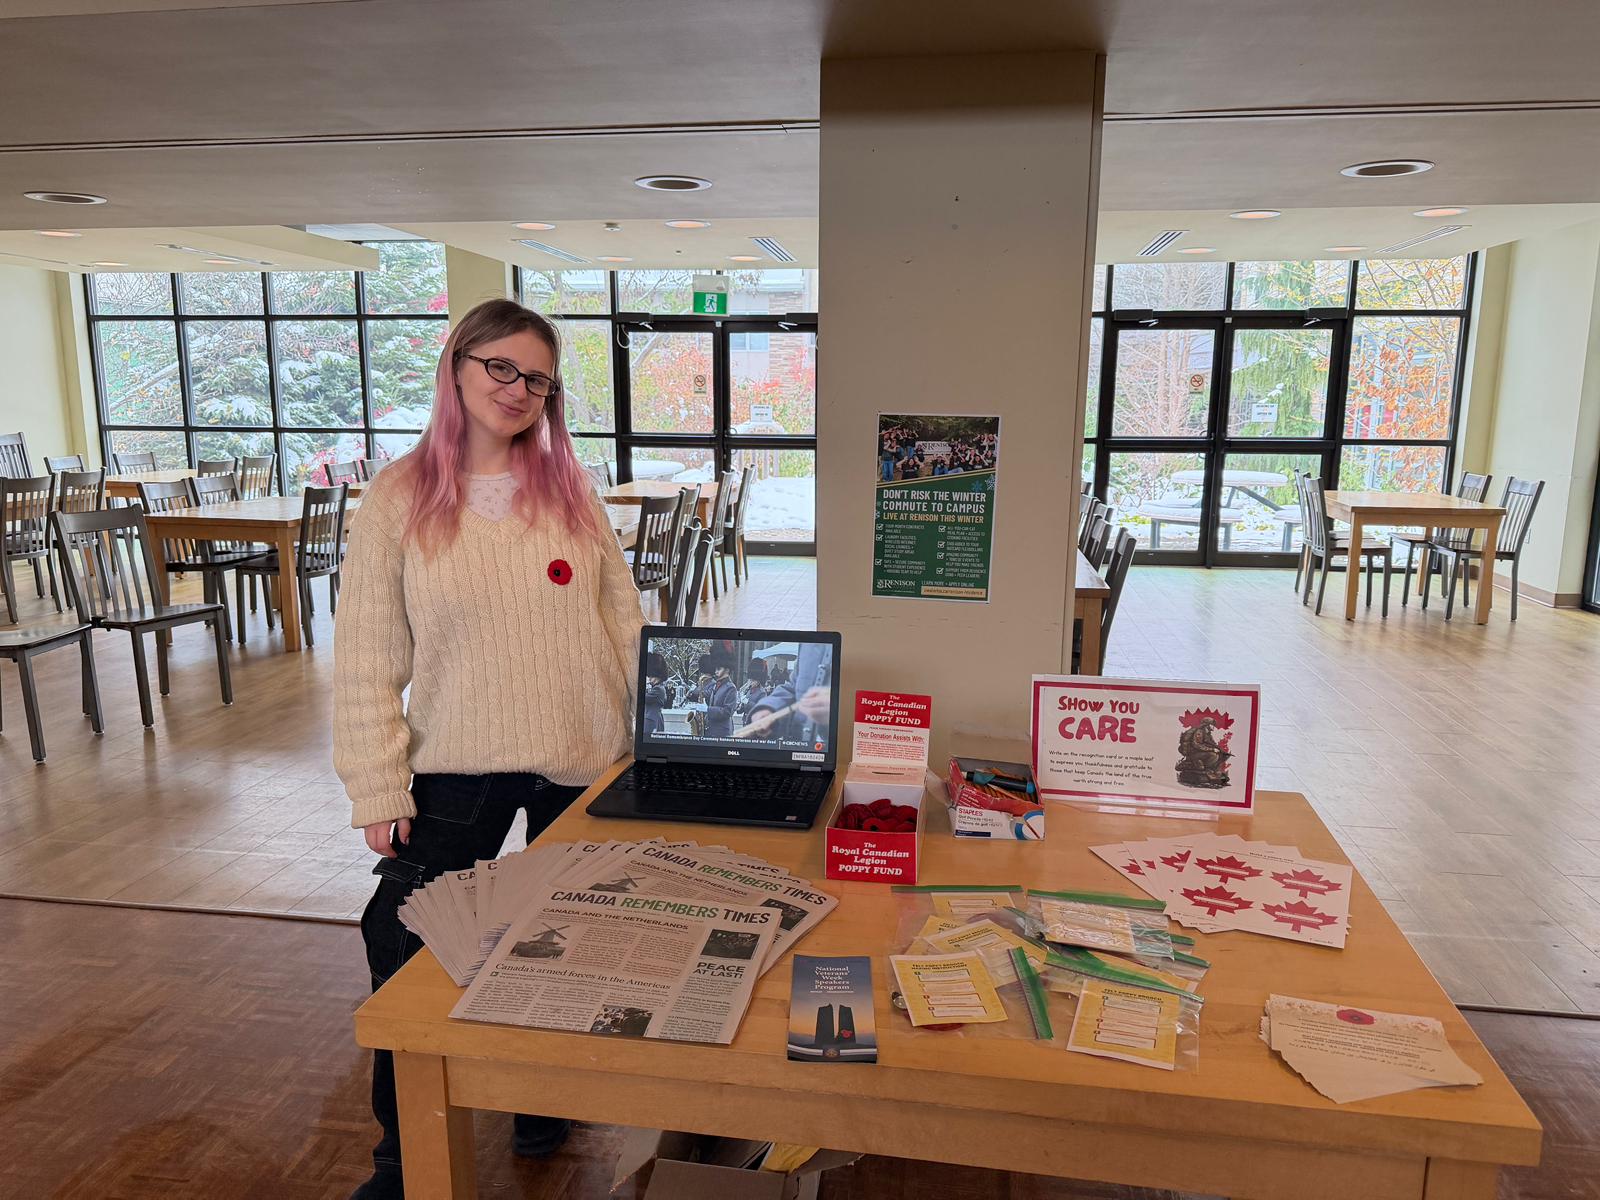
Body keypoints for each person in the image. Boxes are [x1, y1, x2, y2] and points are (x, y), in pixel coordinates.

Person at [334, 298, 644, 1200]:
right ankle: (403, 1160)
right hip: (456, 763)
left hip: (580, 759)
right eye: (500, 367)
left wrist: (649, 743)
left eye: (537, 379)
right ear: (458, 365)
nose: (517, 390)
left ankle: (542, 1099)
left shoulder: (569, 491)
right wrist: (376, 785)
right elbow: (365, 657)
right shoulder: (397, 497)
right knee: (398, 936)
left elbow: (622, 623)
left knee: (566, 942)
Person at [698, 655, 739, 738]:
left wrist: (707, 709)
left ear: (727, 670)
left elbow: (727, 712)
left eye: (719, 669)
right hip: (711, 730)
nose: (716, 671)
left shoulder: (731, 687)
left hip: (722, 732)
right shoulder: (716, 685)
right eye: (715, 669)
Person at [642, 651, 669, 738]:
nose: (650, 679)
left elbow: (643, 698)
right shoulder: (657, 688)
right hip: (653, 719)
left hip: (652, 721)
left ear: (658, 676)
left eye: (651, 677)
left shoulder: (658, 689)